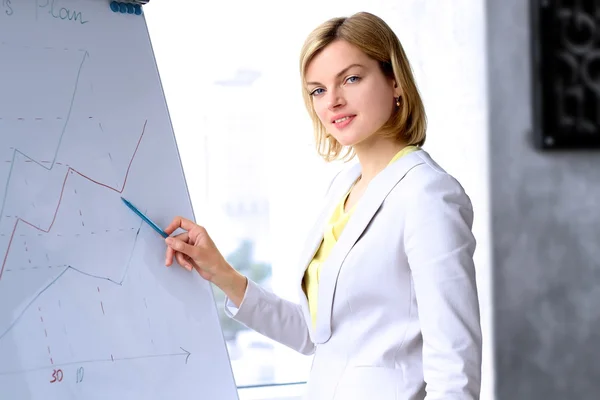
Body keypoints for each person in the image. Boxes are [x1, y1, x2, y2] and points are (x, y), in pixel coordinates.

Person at [163, 11, 482, 400]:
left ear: (394, 81)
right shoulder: (343, 188)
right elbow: (315, 335)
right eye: (317, 90)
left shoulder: (428, 195)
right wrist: (222, 273)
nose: (333, 101)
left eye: (351, 78)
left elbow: (455, 369)